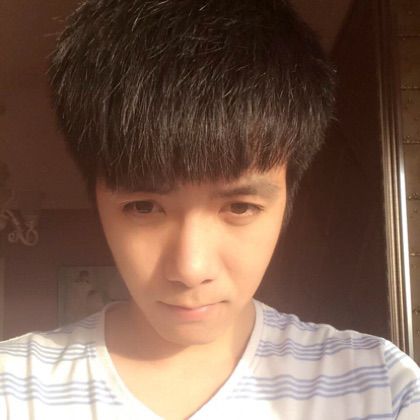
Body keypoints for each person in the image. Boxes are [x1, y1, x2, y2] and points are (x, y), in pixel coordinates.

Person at [1, 0, 419, 418]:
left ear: (287, 198)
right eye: (144, 207)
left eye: (240, 206)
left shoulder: (382, 386)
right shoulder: (14, 386)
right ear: (97, 201)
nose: (191, 269)